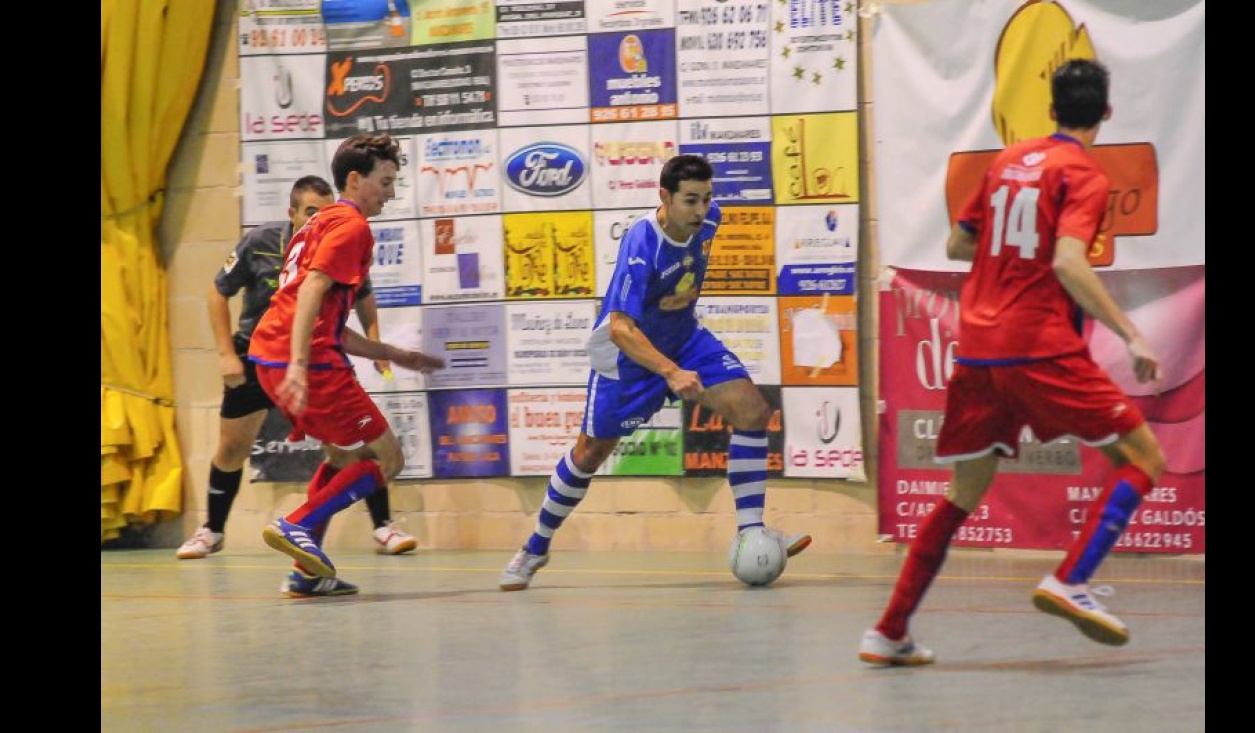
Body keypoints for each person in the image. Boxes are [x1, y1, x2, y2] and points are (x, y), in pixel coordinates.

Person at [858, 59, 1167, 666]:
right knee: (1143, 458)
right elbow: (1070, 264)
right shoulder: (1084, 174)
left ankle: (889, 630)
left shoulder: (1006, 163)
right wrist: (1131, 334)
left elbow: (957, 244)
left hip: (977, 347)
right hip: (1038, 344)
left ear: (1051, 111)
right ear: (1106, 112)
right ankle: (1071, 578)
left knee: (963, 492)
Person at [498, 154, 812, 592]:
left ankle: (751, 531)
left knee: (752, 411)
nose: (701, 210)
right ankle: (534, 548)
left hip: (684, 339)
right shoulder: (642, 244)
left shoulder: (710, 221)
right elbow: (621, 328)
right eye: (690, 201)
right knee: (589, 454)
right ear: (664, 197)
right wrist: (670, 372)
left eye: (706, 198)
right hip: (630, 358)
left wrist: (677, 338)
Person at [176, 175, 419, 571]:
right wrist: (226, 355)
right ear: (291, 213)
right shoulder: (262, 242)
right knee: (233, 448)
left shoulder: (338, 238)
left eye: (324, 212)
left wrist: (381, 349)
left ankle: (366, 533)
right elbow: (218, 292)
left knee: (349, 449)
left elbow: (360, 299)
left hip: (310, 355)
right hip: (263, 357)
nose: (319, 219)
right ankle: (215, 530)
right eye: (310, 212)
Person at [248, 135, 445, 596]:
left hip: (271, 355)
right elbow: (314, 290)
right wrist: (300, 363)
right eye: (386, 182)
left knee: (341, 457)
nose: (391, 193)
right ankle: (298, 525)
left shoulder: (317, 225)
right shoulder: (352, 226)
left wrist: (394, 354)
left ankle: (307, 573)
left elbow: (330, 321)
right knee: (387, 457)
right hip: (308, 362)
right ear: (355, 180)